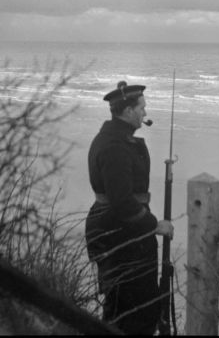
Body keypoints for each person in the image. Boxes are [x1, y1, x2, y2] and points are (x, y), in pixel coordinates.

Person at [85, 81, 174, 335]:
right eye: (141, 108)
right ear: (127, 111)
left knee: (125, 307)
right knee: (135, 311)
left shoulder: (116, 139)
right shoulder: (115, 147)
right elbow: (122, 201)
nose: (145, 113)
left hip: (122, 231)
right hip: (121, 234)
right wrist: (154, 225)